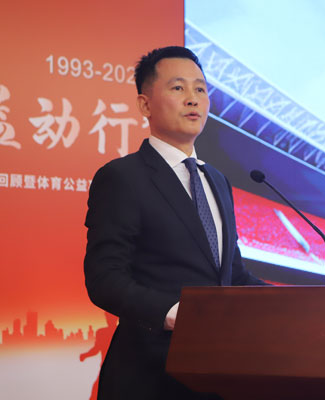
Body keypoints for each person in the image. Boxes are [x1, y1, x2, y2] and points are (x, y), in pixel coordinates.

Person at [83, 46, 267, 400]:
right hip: (151, 376)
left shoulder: (217, 181)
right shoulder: (122, 177)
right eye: (178, 87)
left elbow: (233, 274)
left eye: (200, 89)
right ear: (145, 105)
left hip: (219, 373)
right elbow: (104, 279)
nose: (193, 99)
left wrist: (291, 303)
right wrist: (173, 314)